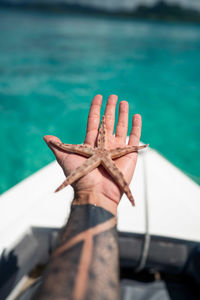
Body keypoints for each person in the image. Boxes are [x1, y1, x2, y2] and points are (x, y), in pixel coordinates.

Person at [37, 94, 142, 300]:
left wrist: (91, 193)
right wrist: (96, 194)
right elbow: (70, 147)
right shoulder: (98, 154)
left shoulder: (99, 154)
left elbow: (127, 147)